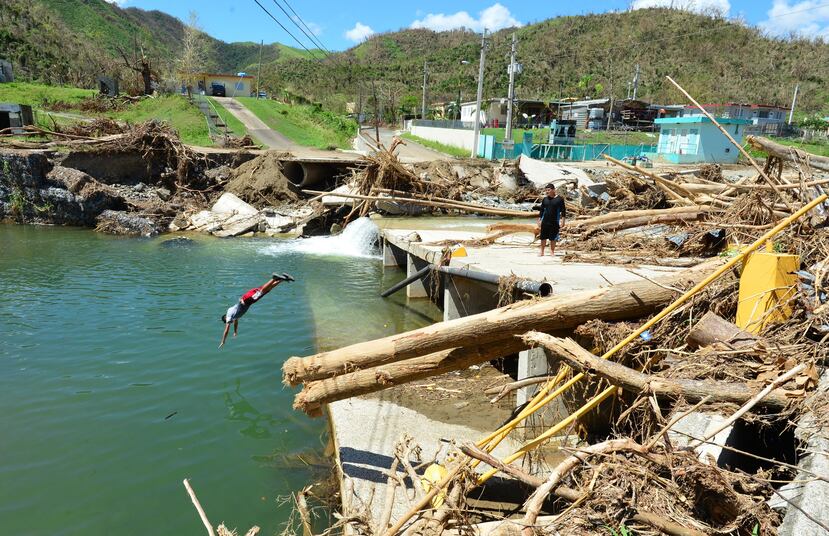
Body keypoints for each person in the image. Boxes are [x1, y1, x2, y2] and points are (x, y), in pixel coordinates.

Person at [219, 273, 295, 348]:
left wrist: (223, 341)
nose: (229, 323)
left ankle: (274, 278)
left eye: (227, 322)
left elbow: (226, 330)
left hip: (246, 300)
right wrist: (235, 332)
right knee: (267, 290)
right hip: (248, 301)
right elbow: (236, 322)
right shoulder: (233, 316)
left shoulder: (228, 316)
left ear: (225, 318)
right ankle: (284, 278)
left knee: (262, 290)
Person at [537, 183, 566, 257]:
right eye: (546, 190)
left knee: (553, 238)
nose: (547, 192)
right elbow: (541, 210)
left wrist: (563, 221)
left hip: (554, 221)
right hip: (545, 221)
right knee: (543, 237)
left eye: (548, 190)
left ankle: (552, 252)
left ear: (553, 190)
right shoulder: (545, 199)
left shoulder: (559, 199)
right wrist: (539, 219)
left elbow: (563, 211)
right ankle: (542, 252)